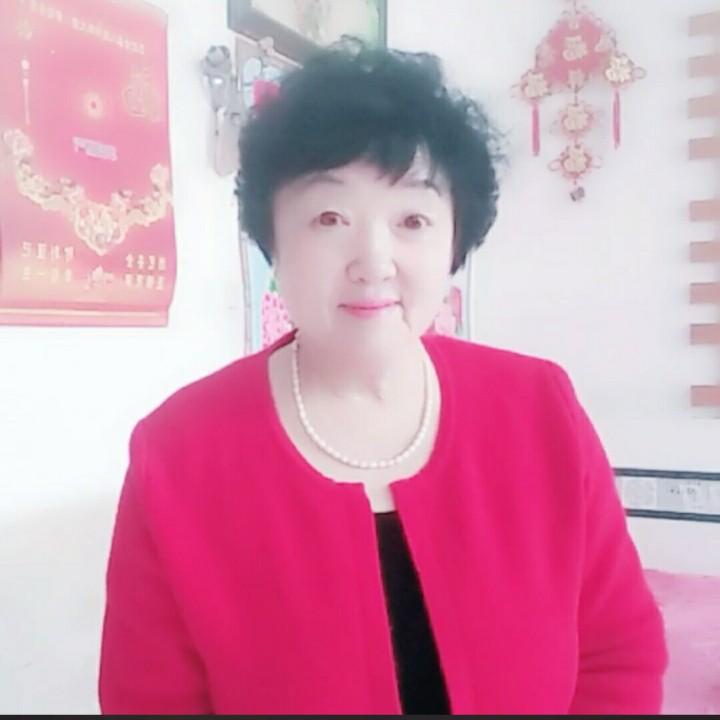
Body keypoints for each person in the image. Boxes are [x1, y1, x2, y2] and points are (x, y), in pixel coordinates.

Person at [98, 40, 667, 715]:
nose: (373, 259)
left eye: (412, 220)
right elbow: (150, 701)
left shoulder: (541, 409)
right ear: (272, 241)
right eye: (329, 218)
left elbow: (617, 654)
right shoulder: (177, 454)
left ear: (454, 241)